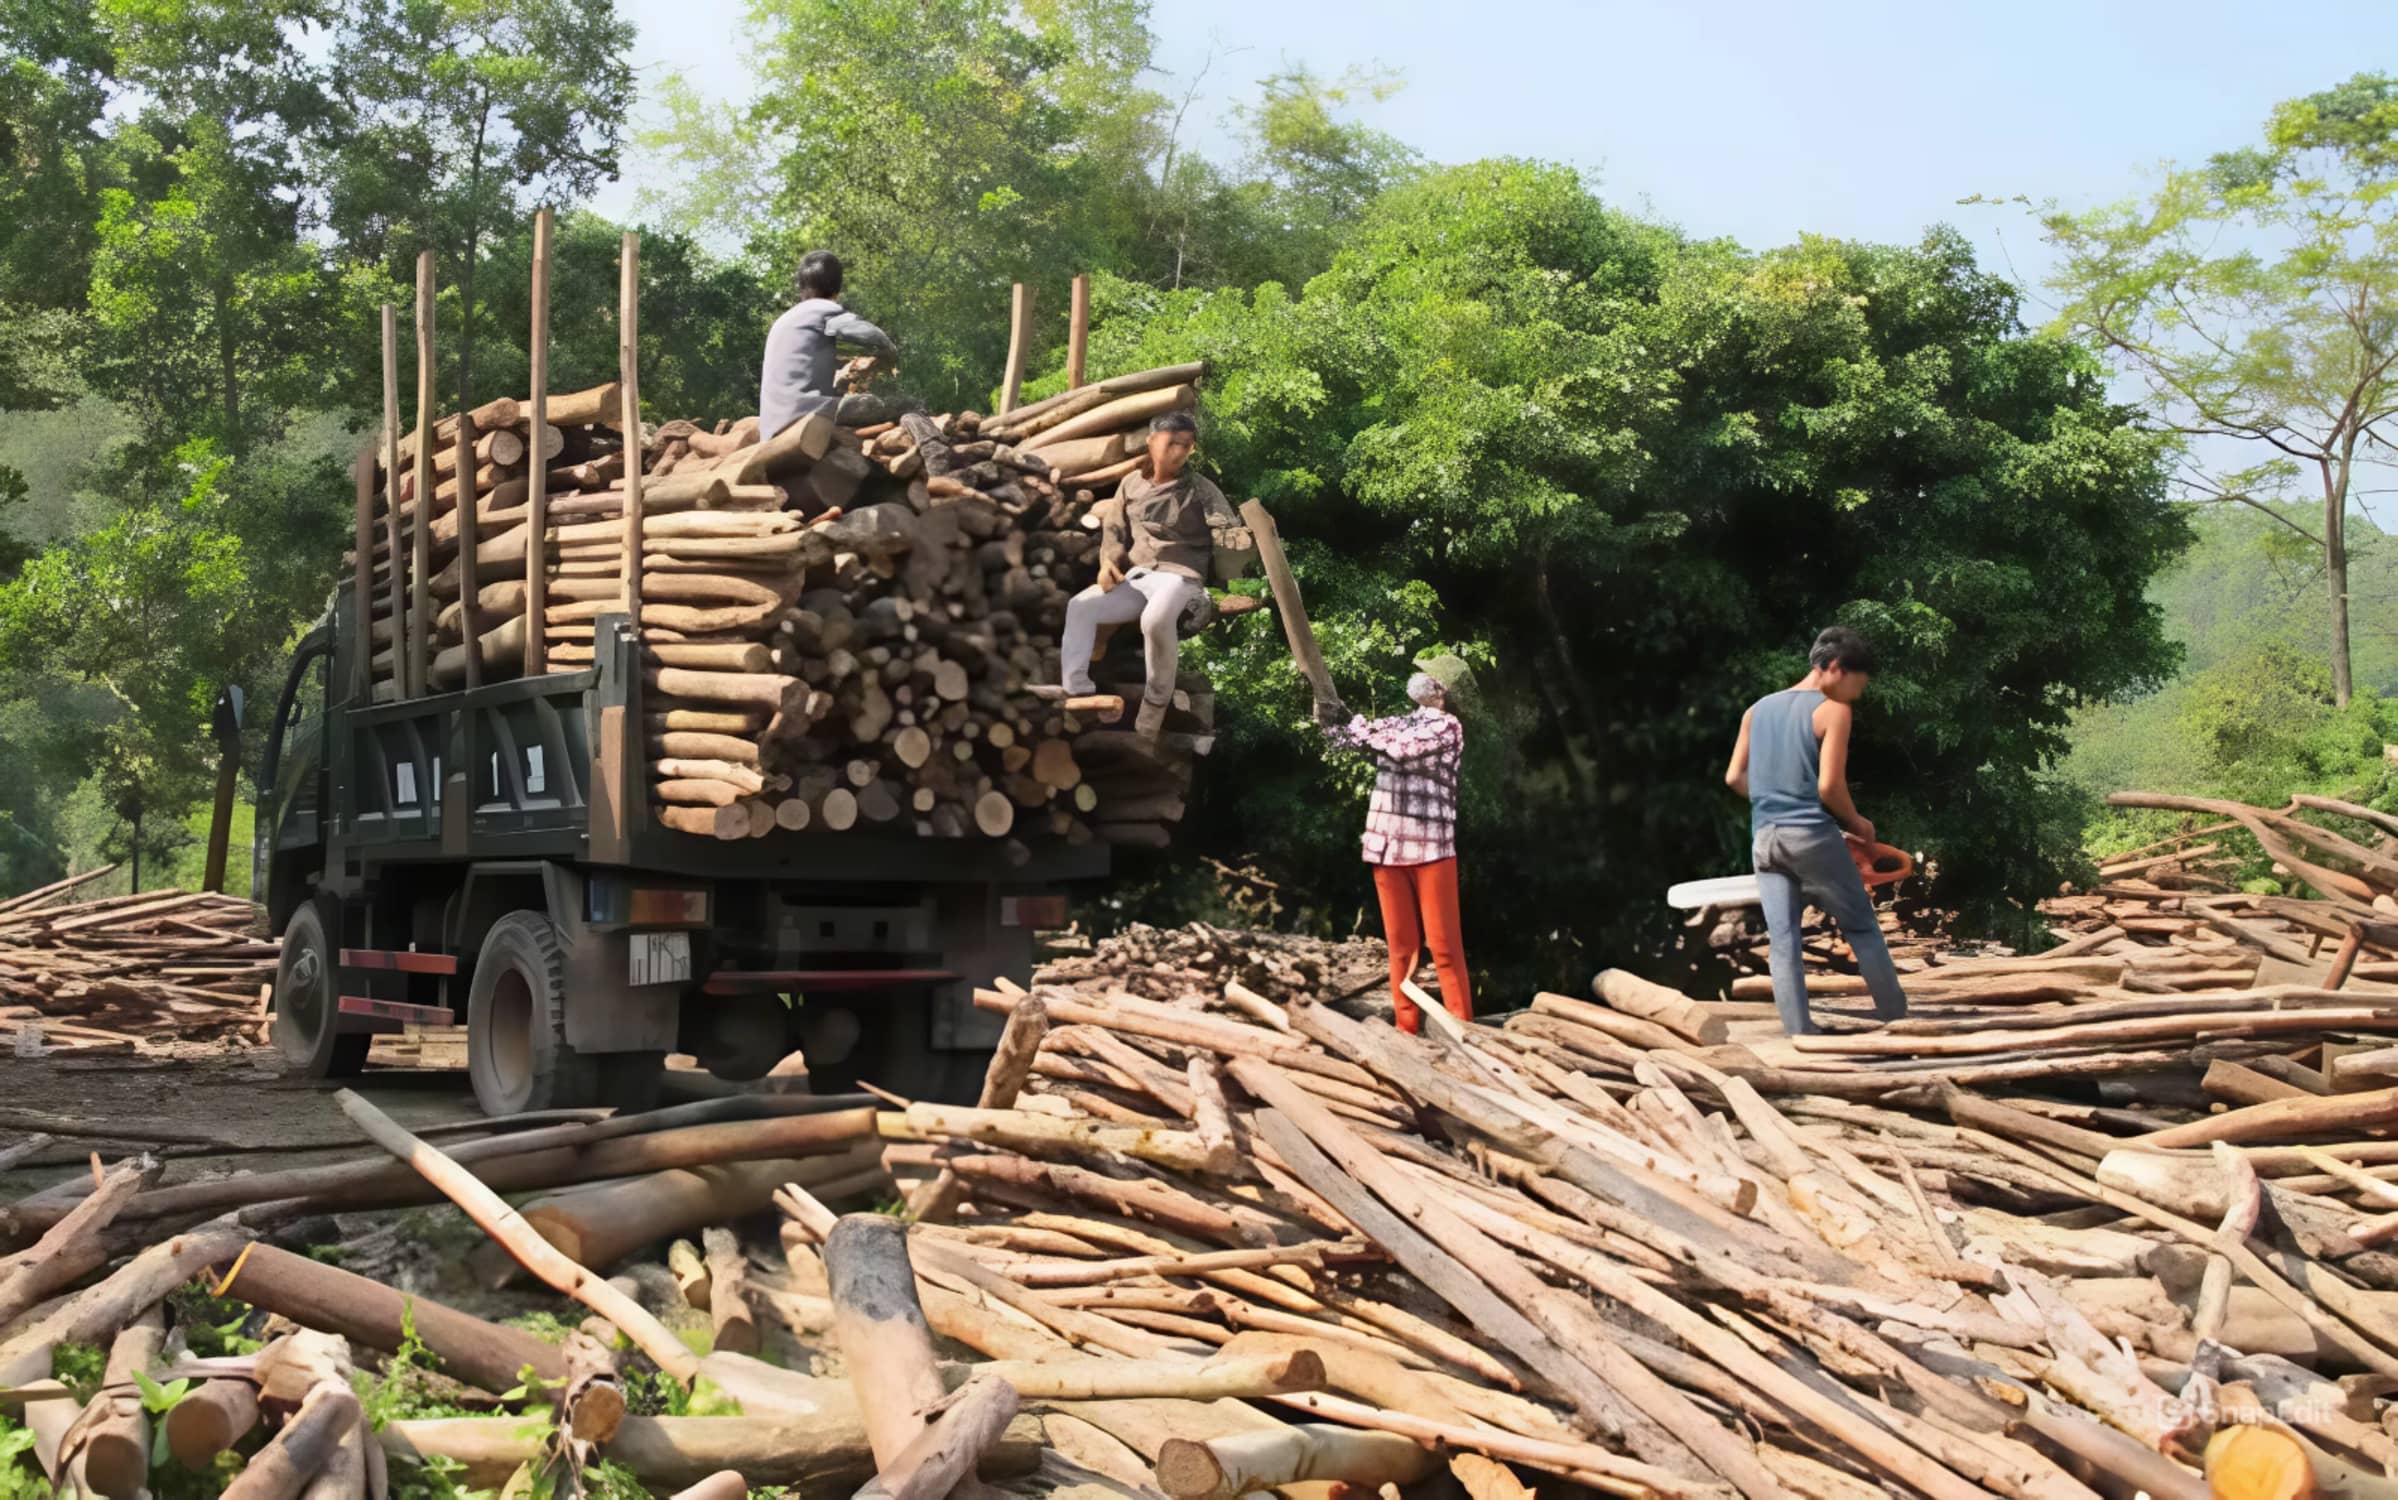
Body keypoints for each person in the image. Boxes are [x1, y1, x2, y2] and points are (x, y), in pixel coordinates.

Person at [1723, 625, 1908, 1036]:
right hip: (1809, 835)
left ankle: (1799, 1034)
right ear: (1837, 668)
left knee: (1783, 940)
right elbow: (1828, 786)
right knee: (1861, 926)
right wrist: (1858, 823)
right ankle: (1897, 1019)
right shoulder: (1833, 709)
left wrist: (1775, 796)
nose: (1857, 694)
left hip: (1765, 839)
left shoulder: (1757, 710)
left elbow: (1734, 777)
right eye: (1858, 683)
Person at [1059, 410, 1243, 737]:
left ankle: (1155, 701)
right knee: (1080, 606)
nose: (1179, 451)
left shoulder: (1201, 489)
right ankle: (1075, 688)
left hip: (1181, 575)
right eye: (1172, 443)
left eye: (1186, 445)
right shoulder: (1130, 484)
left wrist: (1232, 541)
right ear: (1152, 441)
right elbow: (1114, 529)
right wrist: (1107, 563)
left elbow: (1227, 527)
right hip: (1139, 575)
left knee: (1155, 621)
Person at [1315, 672, 1471, 1035]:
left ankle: (1465, 1032)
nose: (1421, 677)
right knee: (1400, 947)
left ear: (1443, 690)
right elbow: (1342, 740)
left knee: (1444, 946)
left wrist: (1356, 725)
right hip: (1386, 847)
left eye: (1431, 675)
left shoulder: (1447, 727)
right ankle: (1406, 1028)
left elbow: (1401, 749)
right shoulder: (1401, 722)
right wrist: (1333, 718)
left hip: (1431, 848)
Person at [758, 250, 898, 440]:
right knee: (896, 405)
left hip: (771, 426)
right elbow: (875, 337)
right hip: (807, 416)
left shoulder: (784, 320)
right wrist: (891, 355)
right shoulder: (827, 311)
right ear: (837, 287)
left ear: (801, 287)